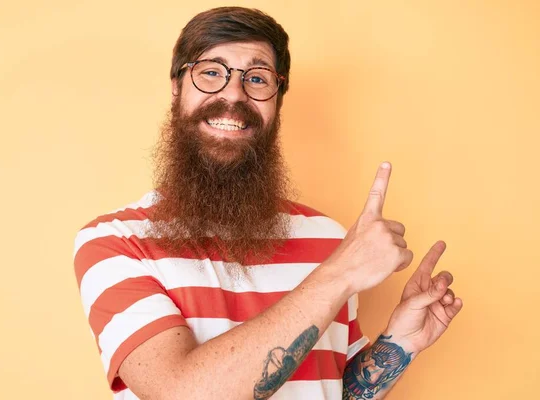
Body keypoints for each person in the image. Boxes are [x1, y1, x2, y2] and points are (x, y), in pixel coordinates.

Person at [73, 6, 463, 400]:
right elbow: (182, 393)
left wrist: (400, 343)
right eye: (211, 72)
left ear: (277, 100)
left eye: (257, 78)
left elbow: (332, 391)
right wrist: (340, 272)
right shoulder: (115, 243)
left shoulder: (330, 239)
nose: (233, 95)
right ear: (177, 86)